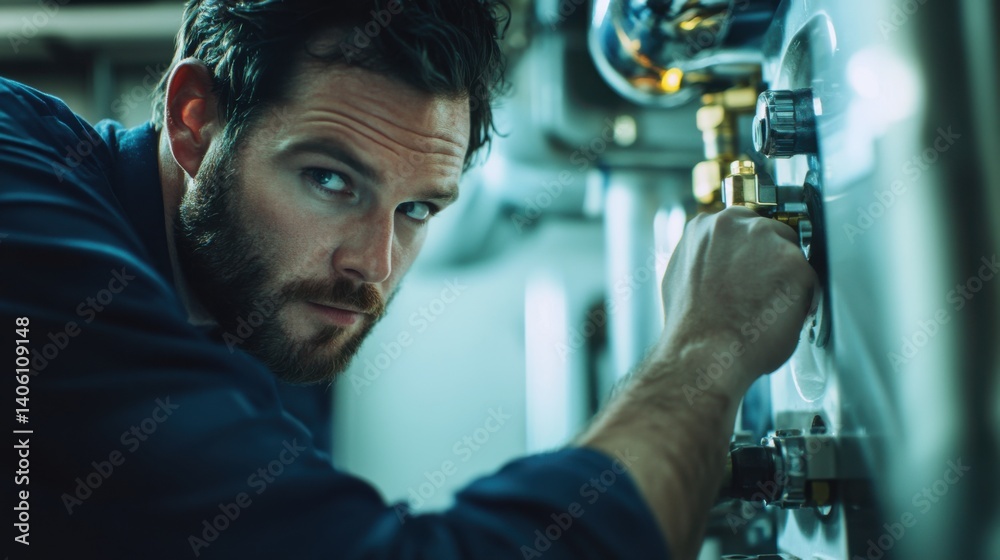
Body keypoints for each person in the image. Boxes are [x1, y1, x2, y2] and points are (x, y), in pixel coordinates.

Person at [1, 0, 816, 558]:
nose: (373, 265)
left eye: (418, 209)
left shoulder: (242, 331)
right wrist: (707, 348)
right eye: (330, 180)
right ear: (195, 121)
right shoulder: (25, 210)